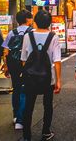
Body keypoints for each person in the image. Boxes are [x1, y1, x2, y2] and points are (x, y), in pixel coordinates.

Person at [21, 10, 62, 141]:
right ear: (49, 23)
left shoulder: (28, 36)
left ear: (35, 22)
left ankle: (26, 135)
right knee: (47, 104)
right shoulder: (53, 37)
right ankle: (45, 131)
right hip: (47, 78)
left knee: (29, 106)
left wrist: (29, 72)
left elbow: (23, 59)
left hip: (30, 77)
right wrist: (58, 80)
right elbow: (57, 61)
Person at [3, 9, 33, 130]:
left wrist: (6, 66)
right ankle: (22, 116)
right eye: (30, 18)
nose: (32, 20)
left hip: (13, 64)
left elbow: (5, 50)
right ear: (27, 19)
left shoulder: (12, 32)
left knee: (16, 88)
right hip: (27, 64)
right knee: (26, 89)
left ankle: (15, 114)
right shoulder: (32, 32)